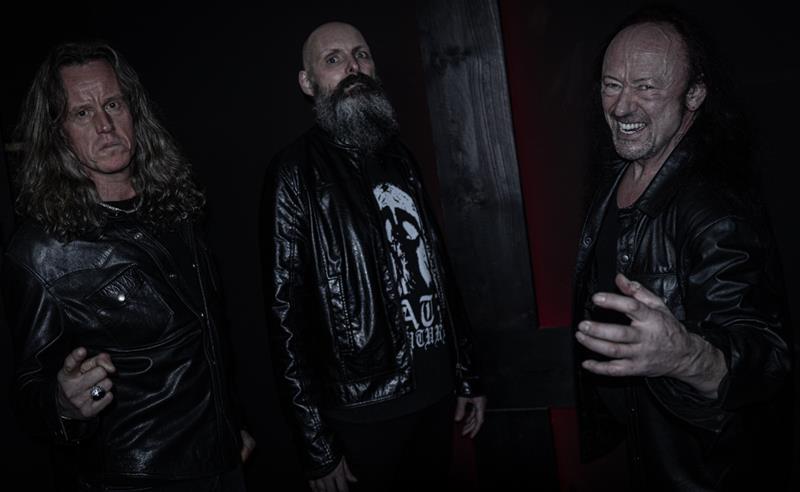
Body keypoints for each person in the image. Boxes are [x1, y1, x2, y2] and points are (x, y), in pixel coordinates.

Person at [1, 41, 255, 491]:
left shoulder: (174, 206)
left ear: (134, 110)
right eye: (82, 113)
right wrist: (62, 403)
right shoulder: (42, 250)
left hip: (222, 459)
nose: (104, 124)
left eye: (113, 104)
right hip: (138, 478)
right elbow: (27, 392)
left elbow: (208, 335)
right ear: (58, 134)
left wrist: (229, 424)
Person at [572, 7, 792, 491]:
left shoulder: (714, 208)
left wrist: (685, 356)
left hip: (704, 472)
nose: (622, 107)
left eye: (646, 87)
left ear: (694, 95)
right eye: (612, 85)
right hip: (639, 451)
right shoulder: (616, 178)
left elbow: (769, 359)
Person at [260, 21, 486, 492]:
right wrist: (316, 445)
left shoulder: (400, 157)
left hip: (435, 394)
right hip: (363, 410)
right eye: (334, 60)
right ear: (308, 82)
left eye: (361, 55)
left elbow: (440, 270)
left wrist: (466, 374)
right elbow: (285, 319)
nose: (353, 68)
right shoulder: (294, 173)